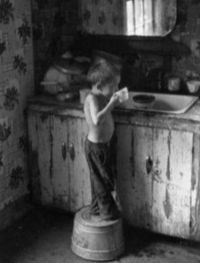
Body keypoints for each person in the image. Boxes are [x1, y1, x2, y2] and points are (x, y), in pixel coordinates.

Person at [84, 59, 121, 221]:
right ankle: (106, 213)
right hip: (96, 148)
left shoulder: (101, 97)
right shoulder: (92, 98)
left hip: (104, 145)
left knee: (100, 178)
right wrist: (111, 104)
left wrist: (112, 100)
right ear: (99, 86)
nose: (116, 89)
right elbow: (97, 119)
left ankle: (95, 209)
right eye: (113, 87)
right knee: (102, 181)